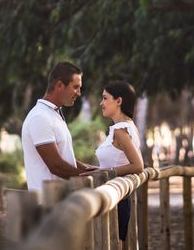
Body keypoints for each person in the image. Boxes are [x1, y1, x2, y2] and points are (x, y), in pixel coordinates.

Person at [21, 61, 98, 191]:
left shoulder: (53, 114)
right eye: (75, 87)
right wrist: (91, 180)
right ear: (59, 85)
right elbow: (56, 165)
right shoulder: (40, 117)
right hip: (47, 205)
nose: (79, 93)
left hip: (61, 201)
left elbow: (63, 158)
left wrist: (89, 170)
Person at [88, 80, 144, 243]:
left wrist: (106, 172)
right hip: (116, 196)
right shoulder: (125, 126)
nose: (101, 103)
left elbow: (138, 165)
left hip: (116, 199)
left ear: (119, 101)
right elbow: (120, 160)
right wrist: (98, 169)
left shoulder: (120, 130)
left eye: (105, 98)